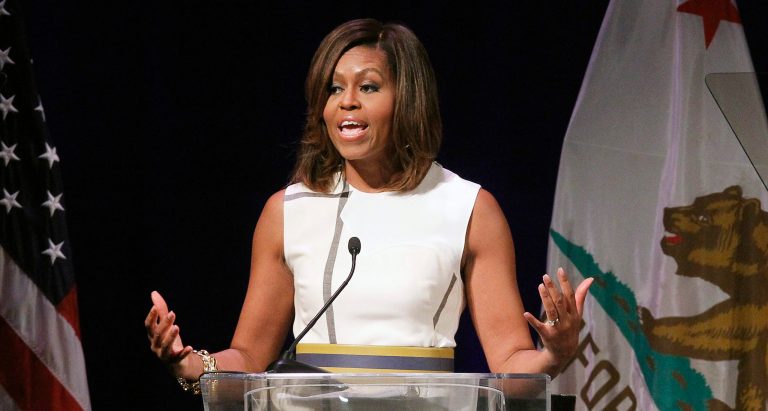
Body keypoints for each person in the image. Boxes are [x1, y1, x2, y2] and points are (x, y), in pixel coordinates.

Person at [145, 18, 592, 391]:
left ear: (408, 101)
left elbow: (511, 365)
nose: (347, 102)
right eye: (334, 88)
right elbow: (248, 356)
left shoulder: (468, 208)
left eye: (369, 87)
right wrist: (193, 366)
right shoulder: (286, 212)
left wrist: (554, 354)